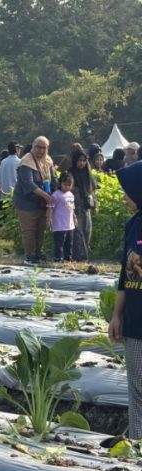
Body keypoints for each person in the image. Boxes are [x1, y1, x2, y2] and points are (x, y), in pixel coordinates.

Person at [110, 161, 142, 438]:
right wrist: (116, 315)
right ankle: (137, 440)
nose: (124, 197)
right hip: (134, 317)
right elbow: (125, 274)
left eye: (127, 191)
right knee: (136, 384)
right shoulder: (133, 225)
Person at [13, 136, 55, 266]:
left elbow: (54, 179)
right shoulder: (26, 162)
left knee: (41, 229)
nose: (41, 150)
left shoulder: (48, 161)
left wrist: (54, 193)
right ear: (33, 146)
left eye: (44, 147)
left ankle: (38, 253)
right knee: (29, 230)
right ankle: (30, 256)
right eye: (38, 147)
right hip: (26, 202)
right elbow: (29, 184)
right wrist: (45, 195)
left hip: (42, 202)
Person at [68, 150, 98, 262]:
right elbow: (66, 192)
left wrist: (95, 205)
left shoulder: (87, 173)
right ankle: (79, 257)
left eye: (84, 160)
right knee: (77, 232)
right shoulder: (70, 173)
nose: (81, 163)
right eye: (79, 160)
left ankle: (84, 255)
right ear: (75, 161)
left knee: (87, 231)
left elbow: (92, 191)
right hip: (75, 207)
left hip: (86, 207)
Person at [48, 173, 77, 263]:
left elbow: (71, 208)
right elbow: (50, 207)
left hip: (69, 224)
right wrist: (49, 218)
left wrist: (74, 218)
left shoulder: (70, 195)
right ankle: (58, 258)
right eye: (65, 185)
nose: (67, 187)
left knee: (69, 243)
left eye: (69, 185)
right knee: (59, 243)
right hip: (59, 224)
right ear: (60, 183)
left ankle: (68, 258)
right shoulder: (56, 195)